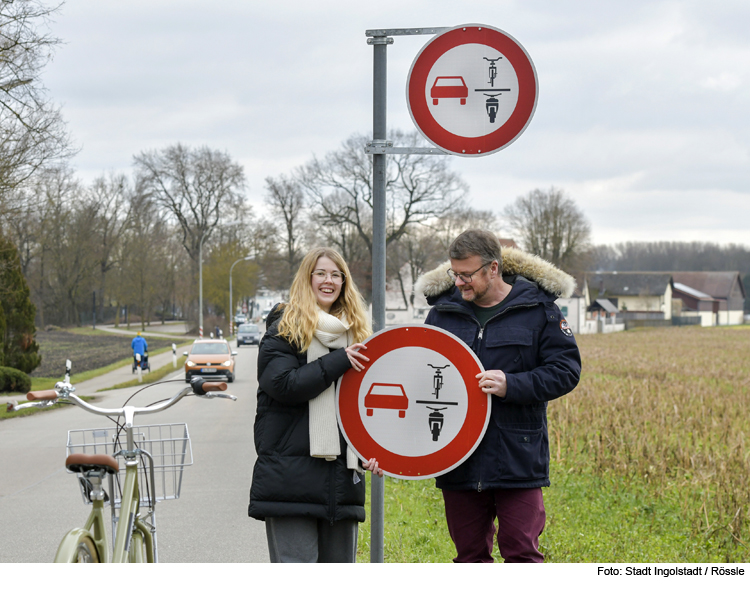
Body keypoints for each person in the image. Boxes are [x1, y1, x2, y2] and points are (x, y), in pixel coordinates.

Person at [414, 229, 581, 563]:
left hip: (517, 458)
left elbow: (566, 371)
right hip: (459, 458)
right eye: (454, 273)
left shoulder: (538, 309)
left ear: (493, 268)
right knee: (470, 557)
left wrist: (512, 385)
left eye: (467, 274)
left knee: (521, 554)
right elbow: (418, 375)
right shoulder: (442, 314)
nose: (459, 282)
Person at [248, 247, 383, 563]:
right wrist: (338, 361)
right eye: (321, 273)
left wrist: (370, 449)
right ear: (306, 279)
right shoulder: (284, 329)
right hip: (290, 480)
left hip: (341, 482)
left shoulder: (356, 336)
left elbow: (367, 405)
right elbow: (283, 385)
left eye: (337, 275)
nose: (329, 280)